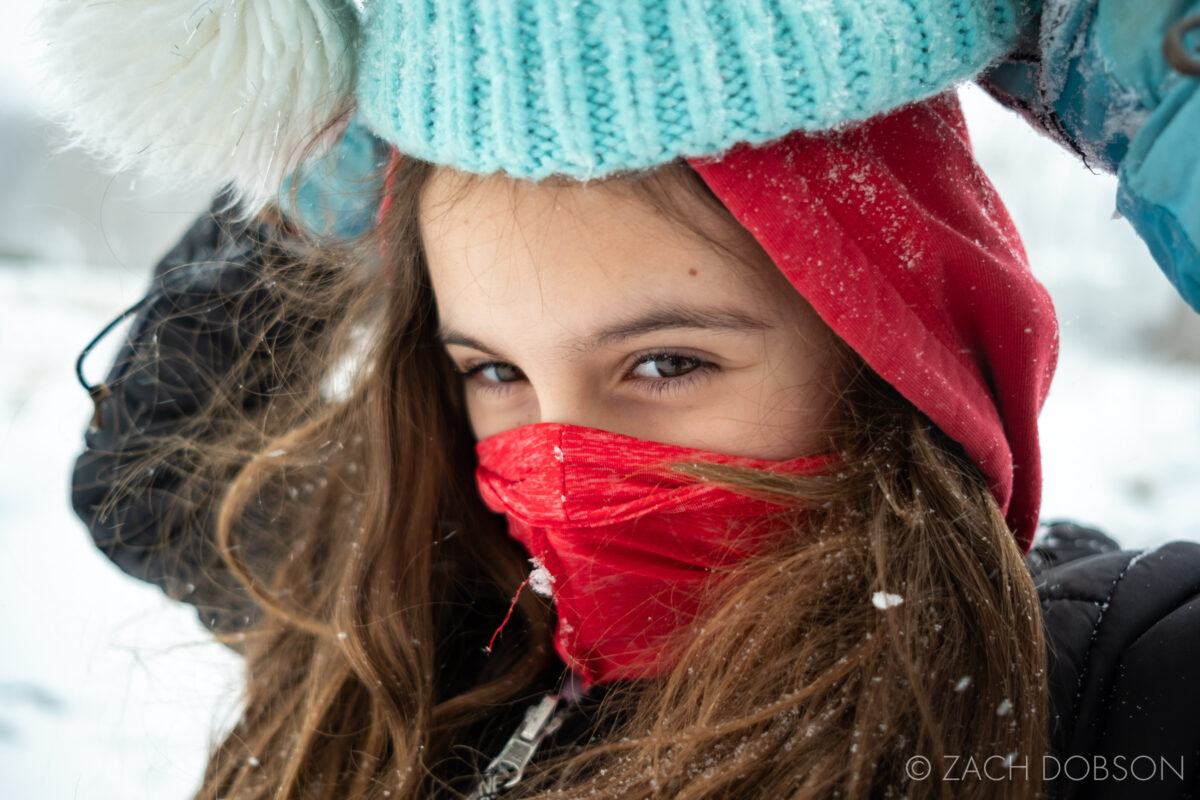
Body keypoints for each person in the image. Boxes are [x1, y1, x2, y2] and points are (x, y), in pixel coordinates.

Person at [53, 2, 1200, 799]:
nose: (563, 459)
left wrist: (1158, 81)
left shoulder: (1087, 696)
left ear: (899, 359)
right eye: (492, 370)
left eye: (665, 362)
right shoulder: (438, 640)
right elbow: (164, 469)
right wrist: (343, 145)